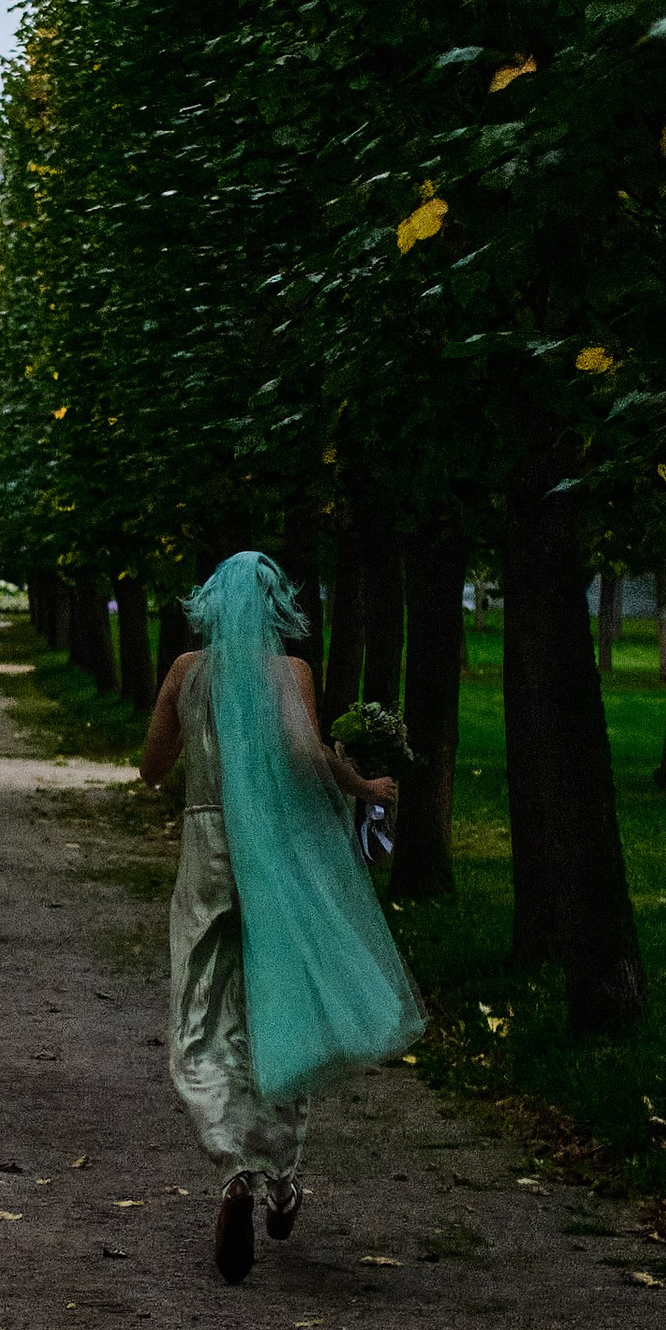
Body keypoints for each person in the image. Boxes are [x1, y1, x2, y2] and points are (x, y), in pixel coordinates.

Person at [139, 547, 427, 1282]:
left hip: (208, 852)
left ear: (212, 604)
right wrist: (362, 784)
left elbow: (152, 768)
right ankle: (282, 1177)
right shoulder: (289, 674)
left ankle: (233, 1168)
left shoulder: (185, 672)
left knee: (200, 1012)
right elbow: (304, 756)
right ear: (277, 608)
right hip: (276, 852)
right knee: (284, 1005)